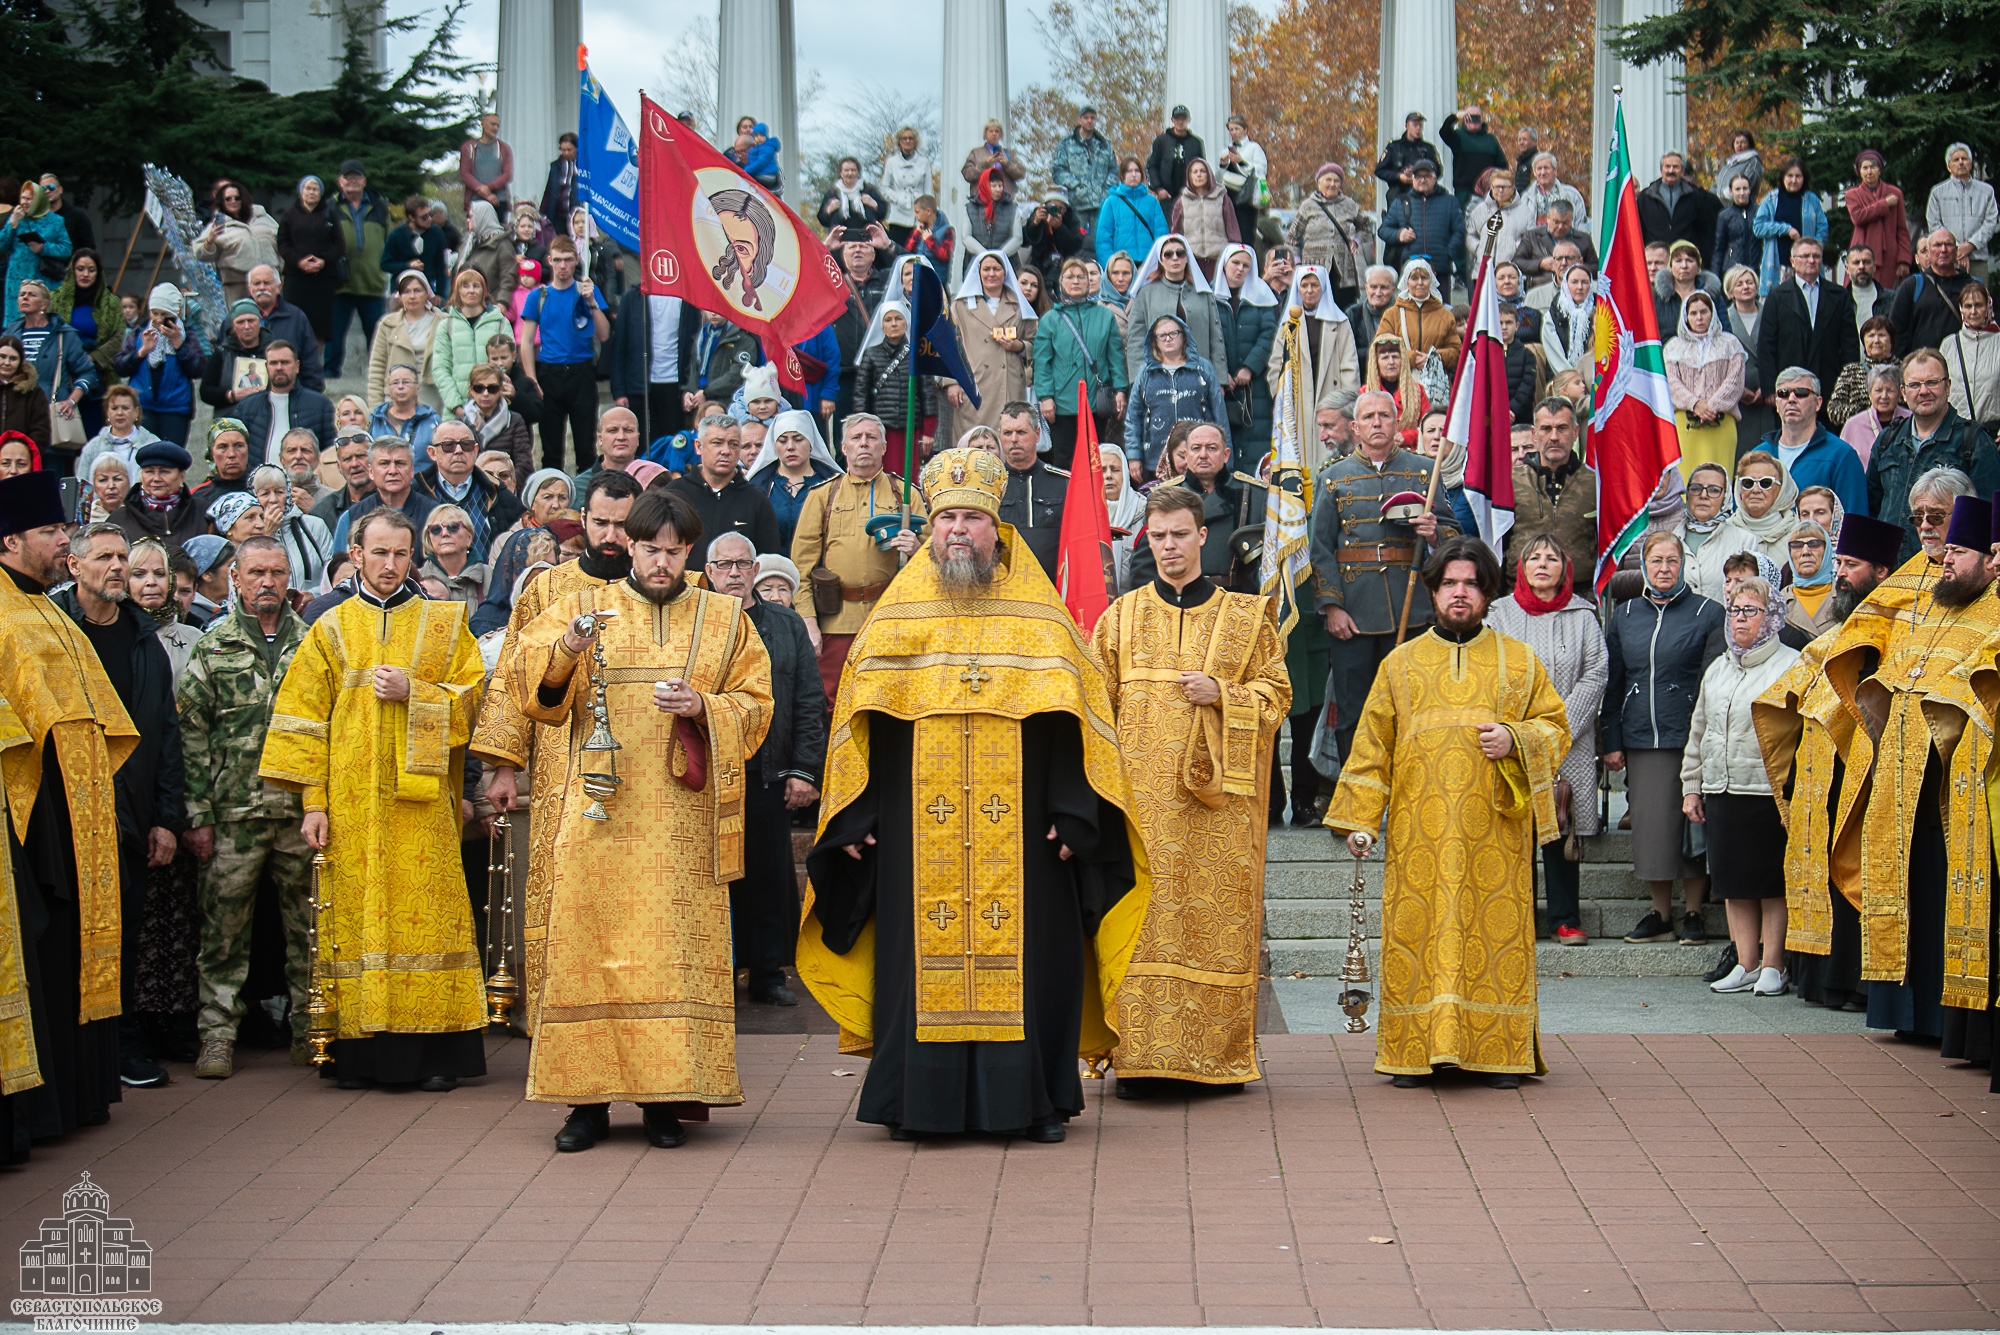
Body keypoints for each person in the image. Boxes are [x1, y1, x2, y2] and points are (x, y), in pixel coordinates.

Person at [796, 446, 1144, 1141]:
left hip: (1026, 837)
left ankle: (1036, 1101)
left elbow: (1073, 725)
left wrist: (1074, 813)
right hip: (912, 833)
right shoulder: (895, 621)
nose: (959, 529)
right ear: (929, 527)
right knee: (915, 964)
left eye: (973, 518)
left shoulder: (1039, 618)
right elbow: (865, 729)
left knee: (1034, 963)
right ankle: (915, 1103)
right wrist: (856, 816)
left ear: (998, 529)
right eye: (947, 516)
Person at [504, 489, 772, 1147]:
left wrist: (704, 705)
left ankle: (662, 1100)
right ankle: (585, 1105)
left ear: (690, 552)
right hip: (597, 817)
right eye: (650, 549)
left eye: (674, 552)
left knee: (672, 958)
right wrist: (566, 648)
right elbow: (529, 694)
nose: (661, 562)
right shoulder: (579, 609)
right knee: (587, 952)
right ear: (629, 544)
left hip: (679, 824)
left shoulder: (724, 618)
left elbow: (757, 704)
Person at [1324, 535, 1567, 1087]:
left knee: (1492, 934)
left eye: (1472, 585)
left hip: (1495, 834)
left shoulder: (1518, 662)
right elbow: (1371, 747)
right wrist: (1361, 820)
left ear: (1487, 593)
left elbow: (1556, 728)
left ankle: (1497, 1053)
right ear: (1434, 590)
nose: (1461, 594)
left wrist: (1515, 738)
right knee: (1420, 935)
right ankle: (1416, 1051)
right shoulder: (1401, 665)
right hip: (1420, 834)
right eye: (1451, 583)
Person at [259, 507, 487, 1090]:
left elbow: (474, 702)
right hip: (353, 806)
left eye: (401, 554)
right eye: (379, 553)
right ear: (355, 554)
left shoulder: (443, 623)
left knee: (428, 921)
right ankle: (358, 1054)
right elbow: (302, 720)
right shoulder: (328, 628)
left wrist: (420, 692)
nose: (390, 565)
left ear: (414, 557)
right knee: (356, 920)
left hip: (423, 806)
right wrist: (314, 802)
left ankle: (437, 1055)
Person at [1091, 483, 1286, 1093]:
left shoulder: (1247, 617)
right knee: (1140, 923)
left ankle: (1213, 1060)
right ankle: (1138, 1059)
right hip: (1140, 811)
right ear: (1146, 539)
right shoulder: (1119, 619)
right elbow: (1094, 712)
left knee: (1213, 925)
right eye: (1158, 536)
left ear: (1203, 536)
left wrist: (1223, 694)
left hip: (1218, 814)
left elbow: (1279, 696)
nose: (1169, 546)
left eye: (1180, 534)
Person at [1826, 494, 2000, 1042]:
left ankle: (1949, 1022)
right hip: (1903, 770)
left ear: (1990, 562)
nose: (1945, 560)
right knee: (1909, 890)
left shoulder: (1991, 605)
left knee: (1946, 894)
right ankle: (1909, 1016)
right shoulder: (1927, 594)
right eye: (1945, 550)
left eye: (1960, 551)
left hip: (1959, 778)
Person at [0, 472, 138, 1147]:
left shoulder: (51, 609)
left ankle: (81, 1094)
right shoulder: (2, 610)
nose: (63, 539)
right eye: (51, 532)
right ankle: (42, 1103)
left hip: (77, 805)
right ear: (9, 540)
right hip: (34, 811)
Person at [170, 535, 313, 1078]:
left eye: (276, 572)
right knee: (223, 931)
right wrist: (197, 815)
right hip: (233, 816)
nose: (267, 582)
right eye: (256, 573)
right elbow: (192, 734)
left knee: (308, 929)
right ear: (236, 579)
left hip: (302, 814)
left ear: (289, 578)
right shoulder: (214, 646)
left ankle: (310, 1029)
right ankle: (218, 1034)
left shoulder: (314, 643)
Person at [49, 524, 183, 1088]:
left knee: (124, 933)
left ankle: (121, 1043)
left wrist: (166, 818)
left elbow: (165, 734)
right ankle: (69, 1049)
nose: (118, 567)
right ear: (74, 566)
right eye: (104, 556)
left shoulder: (142, 638)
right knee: (64, 932)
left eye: (123, 557)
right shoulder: (53, 630)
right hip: (64, 814)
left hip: (130, 815)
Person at [1751, 511, 1902, 1010]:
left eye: (1851, 564)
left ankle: (1861, 985)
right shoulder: (1836, 631)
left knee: (1857, 872)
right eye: (1838, 562)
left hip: (1869, 778)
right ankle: (1821, 980)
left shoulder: (1897, 633)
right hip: (1823, 777)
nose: (1839, 573)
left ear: (1881, 572)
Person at [704, 531, 825, 1008]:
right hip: (709, 768)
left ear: (756, 570)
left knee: (768, 874)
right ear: (709, 571)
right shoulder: (694, 620)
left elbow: (808, 701)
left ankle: (768, 972)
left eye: (743, 564)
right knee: (710, 874)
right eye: (724, 565)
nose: (734, 573)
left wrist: (804, 770)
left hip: (769, 770)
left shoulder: (787, 624)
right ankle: (717, 970)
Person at [1308, 390, 1450, 765]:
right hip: (1353, 617)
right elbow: (1320, 550)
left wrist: (1435, 533)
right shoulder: (1332, 478)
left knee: (1415, 712)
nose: (1376, 423)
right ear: (1354, 427)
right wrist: (1332, 607)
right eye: (1368, 417)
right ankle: (1355, 810)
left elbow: (1457, 540)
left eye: (1384, 416)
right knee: (1353, 716)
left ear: (1397, 421)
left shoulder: (1424, 471)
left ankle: (1413, 804)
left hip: (1413, 609)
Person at [1602, 531, 1724, 945]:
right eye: (1656, 561)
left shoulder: (1708, 613)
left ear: (1683, 565)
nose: (1664, 568)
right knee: (1652, 829)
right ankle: (1660, 913)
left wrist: (1706, 737)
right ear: (1644, 565)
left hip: (1689, 734)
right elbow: (1613, 683)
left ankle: (1693, 913)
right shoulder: (1626, 615)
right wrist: (1611, 739)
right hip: (1642, 737)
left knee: (1692, 829)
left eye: (1672, 560)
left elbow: (1712, 680)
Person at [1681, 574, 1799, 993]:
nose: (1740, 619)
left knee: (1769, 881)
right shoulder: (1718, 667)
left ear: (1772, 617)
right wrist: (1691, 786)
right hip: (1723, 788)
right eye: (1734, 610)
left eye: (1751, 611)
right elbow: (1700, 730)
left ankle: (1773, 965)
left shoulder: (1790, 665)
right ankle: (1745, 962)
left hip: (1768, 792)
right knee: (1732, 881)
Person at [1489, 532, 1607, 946]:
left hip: (1569, 743)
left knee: (1560, 827)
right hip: (1514, 740)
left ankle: (1564, 919)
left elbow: (1595, 673)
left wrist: (1559, 728)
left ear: (1565, 569)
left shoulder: (1584, 615)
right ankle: (1516, 917)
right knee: (1516, 830)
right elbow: (1491, 670)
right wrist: (1522, 731)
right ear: (1521, 567)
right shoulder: (1499, 614)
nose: (1542, 564)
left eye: (1552, 558)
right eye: (1534, 557)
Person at [787, 413, 924, 691]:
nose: (864, 444)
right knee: (831, 701)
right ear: (843, 447)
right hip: (835, 622)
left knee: (886, 698)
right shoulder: (822, 496)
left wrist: (916, 549)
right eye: (856, 438)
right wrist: (809, 623)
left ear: (884, 447)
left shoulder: (906, 495)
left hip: (889, 619)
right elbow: (800, 568)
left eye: (871, 437)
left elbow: (931, 564)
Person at [1868, 350, 2000, 563]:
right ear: (1903, 391)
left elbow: (1988, 520)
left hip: (1944, 573)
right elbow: (1872, 508)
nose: (1923, 391)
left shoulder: (1974, 442)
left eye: (1932, 382)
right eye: (1914, 385)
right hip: (1889, 575)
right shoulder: (1887, 441)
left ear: (1948, 386)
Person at [520, 236, 610, 473]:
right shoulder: (538, 296)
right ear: (549, 261)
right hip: (550, 373)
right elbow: (526, 341)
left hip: (581, 372)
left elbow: (603, 334)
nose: (562, 266)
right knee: (550, 450)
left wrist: (592, 302)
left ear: (575, 261)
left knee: (586, 448)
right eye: (558, 260)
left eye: (568, 260)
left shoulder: (586, 291)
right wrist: (532, 379)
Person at [1035, 257, 1130, 458]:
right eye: (1070, 277)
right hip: (1062, 403)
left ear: (1089, 282)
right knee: (1065, 459)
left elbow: (1115, 357)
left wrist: (1120, 390)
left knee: (1096, 457)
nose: (1076, 281)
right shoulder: (1050, 320)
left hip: (1097, 401)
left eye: (1081, 277)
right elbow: (1042, 363)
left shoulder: (1104, 316)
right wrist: (1045, 397)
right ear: (1061, 282)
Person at [1754, 238, 1857, 421]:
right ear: (1793, 261)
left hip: (1830, 388)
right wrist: (1770, 388)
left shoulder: (1838, 295)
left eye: (1816, 256)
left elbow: (1849, 343)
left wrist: (1849, 385)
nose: (1811, 260)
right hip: (1790, 389)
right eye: (1805, 256)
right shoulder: (1777, 296)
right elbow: (1766, 344)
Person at [1746, 366, 1868, 519]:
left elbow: (1855, 522)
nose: (1791, 399)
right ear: (1776, 403)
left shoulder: (1842, 456)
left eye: (1801, 393)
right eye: (1783, 394)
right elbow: (1741, 517)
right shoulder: (1757, 457)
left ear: (1818, 403)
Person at [665, 412, 781, 567]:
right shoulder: (674, 495)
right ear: (698, 446)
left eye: (733, 444)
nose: (726, 451)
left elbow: (769, 562)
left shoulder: (756, 500)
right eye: (717, 443)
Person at [1507, 397, 1598, 588]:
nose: (1554, 437)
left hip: (1580, 595)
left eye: (1562, 428)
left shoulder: (1595, 483)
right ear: (1534, 433)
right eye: (1546, 429)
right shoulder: (1510, 481)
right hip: (1520, 594)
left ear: (1575, 432)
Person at [1125, 316, 1230, 481]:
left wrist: (1226, 454)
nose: (1168, 339)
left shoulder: (1203, 368)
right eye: (1162, 335)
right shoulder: (1145, 373)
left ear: (1183, 335)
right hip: (1153, 459)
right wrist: (1133, 456)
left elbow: (1219, 414)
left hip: (1199, 458)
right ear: (1154, 340)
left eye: (1173, 333)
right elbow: (1133, 417)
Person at [1270, 266, 1357, 456]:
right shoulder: (1288, 324)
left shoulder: (1339, 322)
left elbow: (1349, 366)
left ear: (1323, 288)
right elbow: (1276, 366)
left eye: (1315, 285)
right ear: (1298, 289)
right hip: (1298, 402)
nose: (1309, 291)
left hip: (1331, 397)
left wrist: (1347, 404)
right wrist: (1281, 399)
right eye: (1305, 285)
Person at [412, 417, 524, 563]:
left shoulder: (498, 493)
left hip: (485, 582)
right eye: (448, 445)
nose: (458, 451)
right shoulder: (415, 493)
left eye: (466, 445)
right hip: (431, 582)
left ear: (475, 450)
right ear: (432, 453)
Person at [949, 251, 1038, 434]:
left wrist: (1018, 346)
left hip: (1009, 384)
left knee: (1008, 438)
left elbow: (1035, 342)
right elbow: (949, 345)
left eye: (996, 269)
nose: (991, 274)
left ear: (1005, 273)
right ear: (978, 273)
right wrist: (951, 382)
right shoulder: (960, 306)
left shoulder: (1019, 304)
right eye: (986, 269)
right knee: (974, 442)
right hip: (974, 383)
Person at [1122, 234, 1226, 381]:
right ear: (1160, 260)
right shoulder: (1146, 294)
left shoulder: (1203, 293)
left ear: (1187, 257)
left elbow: (1216, 338)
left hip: (1200, 377)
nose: (1175, 258)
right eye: (1168, 254)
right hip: (1158, 378)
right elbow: (1136, 341)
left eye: (1180, 253)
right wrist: (1139, 380)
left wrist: (1220, 379)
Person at [854, 298, 938, 478]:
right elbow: (861, 395)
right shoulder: (871, 355)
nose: (893, 324)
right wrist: (862, 427)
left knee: (908, 477)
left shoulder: (917, 354)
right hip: (881, 429)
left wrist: (929, 431)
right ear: (882, 325)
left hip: (910, 428)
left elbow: (927, 394)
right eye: (888, 320)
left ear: (906, 322)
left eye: (898, 319)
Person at [746, 409, 840, 553]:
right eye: (782, 441)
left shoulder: (833, 484)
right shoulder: (758, 486)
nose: (790, 447)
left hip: (819, 571)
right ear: (774, 446)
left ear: (810, 443)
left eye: (798, 439)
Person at [993, 402, 1068, 580]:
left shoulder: (1063, 483)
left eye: (1021, 432)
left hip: (1052, 588)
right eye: (1007, 433)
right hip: (1002, 589)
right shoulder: (990, 485)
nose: (1014, 439)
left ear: (1036, 434)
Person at [52, 250, 124, 435]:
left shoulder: (110, 302)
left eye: (91, 270)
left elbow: (118, 337)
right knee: (63, 435)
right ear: (72, 271)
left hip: (98, 375)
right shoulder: (56, 300)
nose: (85, 274)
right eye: (80, 269)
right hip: (62, 373)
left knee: (94, 433)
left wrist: (92, 358)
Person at [330, 437, 437, 553]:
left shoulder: (434, 514)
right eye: (384, 464)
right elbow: (342, 568)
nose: (392, 471)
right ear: (371, 471)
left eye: (400, 463)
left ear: (412, 470)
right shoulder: (351, 517)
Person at [237, 341, 334, 468]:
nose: (279, 367)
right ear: (266, 367)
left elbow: (330, 453)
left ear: (297, 366)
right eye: (273, 363)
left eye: (285, 362)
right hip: (258, 484)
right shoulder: (246, 407)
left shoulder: (321, 405)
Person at [1287, 164, 1367, 309]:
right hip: (1314, 267)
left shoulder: (1349, 204)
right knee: (1315, 309)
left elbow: (1365, 227)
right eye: (1328, 180)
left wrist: (1356, 241)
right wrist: (1298, 264)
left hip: (1343, 270)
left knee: (1344, 309)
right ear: (1319, 182)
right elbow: (1292, 238)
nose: (1332, 184)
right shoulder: (1308, 206)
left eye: (1336, 181)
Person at [1376, 160, 1462, 290]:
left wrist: (1448, 253)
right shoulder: (1401, 202)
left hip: (1439, 270)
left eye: (1427, 176)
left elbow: (1459, 230)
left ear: (1435, 178)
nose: (1422, 180)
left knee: (1440, 308)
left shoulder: (1449, 201)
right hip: (1411, 270)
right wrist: (1399, 235)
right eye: (1418, 176)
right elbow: (1383, 230)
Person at [276, 177, 342, 344]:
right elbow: (283, 243)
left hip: (323, 279)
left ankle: (315, 366)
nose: (312, 192)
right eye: (308, 188)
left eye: (315, 189)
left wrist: (323, 261)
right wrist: (299, 262)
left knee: (319, 328)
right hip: (296, 279)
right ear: (301, 192)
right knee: (293, 324)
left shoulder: (330, 213)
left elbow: (339, 245)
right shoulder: (289, 214)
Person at [1751, 157, 1828, 295]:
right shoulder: (1771, 199)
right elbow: (1758, 227)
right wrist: (1785, 229)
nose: (1794, 180)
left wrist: (1814, 248)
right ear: (1783, 177)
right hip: (1779, 266)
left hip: (1807, 266)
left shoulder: (1812, 200)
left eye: (1798, 176)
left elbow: (1823, 227)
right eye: (1790, 176)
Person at [250, 462, 331, 590]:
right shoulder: (249, 531)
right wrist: (267, 535)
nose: (273, 499)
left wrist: (313, 595)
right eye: (265, 494)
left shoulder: (314, 525)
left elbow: (332, 573)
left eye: (279, 492)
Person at [1638, 152, 1722, 269]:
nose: (1671, 170)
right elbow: (1639, 231)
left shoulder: (1696, 197)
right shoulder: (1645, 198)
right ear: (1661, 169)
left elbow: (1704, 232)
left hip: (1686, 261)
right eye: (1667, 166)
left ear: (1682, 171)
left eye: (1675, 167)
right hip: (1655, 262)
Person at [1927, 142, 1997, 279]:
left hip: (1977, 258)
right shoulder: (1938, 192)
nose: (1960, 163)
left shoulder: (1986, 191)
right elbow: (1934, 223)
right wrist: (1957, 248)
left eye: (1964, 159)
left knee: (1979, 297)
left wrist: (1971, 245)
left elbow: (1991, 222)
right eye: (1956, 160)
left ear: (1971, 164)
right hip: (1947, 258)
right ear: (1948, 166)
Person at [0, 182, 70, 317]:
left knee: (44, 321)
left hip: (45, 279)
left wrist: (44, 248)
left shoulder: (55, 221)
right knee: (16, 324)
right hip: (17, 281)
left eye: (29, 199)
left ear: (38, 200)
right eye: (23, 198)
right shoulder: (16, 218)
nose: (24, 202)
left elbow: (66, 248)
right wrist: (11, 224)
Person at [1050, 108, 1117, 241]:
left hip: (1100, 203)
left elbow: (1114, 169)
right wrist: (1076, 186)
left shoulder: (1105, 145)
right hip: (1076, 203)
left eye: (1092, 118)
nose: (1089, 120)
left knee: (1101, 240)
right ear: (1080, 119)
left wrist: (1106, 188)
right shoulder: (1066, 144)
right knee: (1076, 242)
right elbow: (1058, 170)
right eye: (1086, 117)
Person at [1943, 280, 2000, 435]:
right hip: (1955, 433)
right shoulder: (1949, 344)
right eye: (1968, 306)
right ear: (1962, 309)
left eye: (1979, 305)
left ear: (1988, 307)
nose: (1973, 311)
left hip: (1991, 433)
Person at [1169, 159, 1240, 281]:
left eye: (1202, 171)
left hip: (1218, 259)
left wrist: (1235, 255)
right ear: (1189, 176)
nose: (1198, 175)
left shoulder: (1222, 198)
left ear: (1209, 174)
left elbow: (1232, 228)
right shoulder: (1182, 201)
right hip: (1192, 260)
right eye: (1194, 172)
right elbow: (1176, 233)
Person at [1827, 315, 1900, 430]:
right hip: (1860, 433)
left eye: (1881, 335)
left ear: (1891, 340)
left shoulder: (1904, 371)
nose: (1876, 340)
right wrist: (1865, 414)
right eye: (1871, 336)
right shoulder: (1851, 372)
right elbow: (1834, 410)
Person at [1096, 159, 1169, 269]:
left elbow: (1161, 232)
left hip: (1148, 263)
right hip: (1121, 264)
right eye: (1129, 171)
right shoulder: (1111, 202)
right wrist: (1110, 265)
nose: (1134, 175)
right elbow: (1103, 238)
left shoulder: (1152, 201)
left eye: (1137, 171)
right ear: (1122, 175)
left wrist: (1158, 260)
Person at [1513, 200, 1599, 291]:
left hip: (1575, 291)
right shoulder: (1532, 236)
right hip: (1540, 289)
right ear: (1548, 218)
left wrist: (1576, 266)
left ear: (1571, 220)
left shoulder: (1583, 239)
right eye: (1556, 222)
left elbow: (1596, 269)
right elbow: (1516, 263)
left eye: (1565, 223)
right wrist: (1540, 264)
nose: (1560, 227)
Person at [1839, 363, 1907, 469]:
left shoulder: (1910, 420)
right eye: (1878, 390)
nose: (1884, 396)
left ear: (1900, 394)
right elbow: (1842, 464)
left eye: (1890, 390)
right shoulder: (1853, 425)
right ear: (1870, 394)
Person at [1216, 114, 1268, 251]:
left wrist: (1241, 162)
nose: (1234, 132)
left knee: (1245, 235)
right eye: (1231, 130)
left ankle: (1247, 263)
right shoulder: (1225, 150)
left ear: (1245, 130)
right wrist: (1222, 165)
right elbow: (1218, 179)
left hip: (1247, 199)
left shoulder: (1254, 148)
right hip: (1229, 197)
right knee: (1229, 234)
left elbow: (1260, 171)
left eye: (1237, 129)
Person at [308, 427, 376, 531]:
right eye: (347, 459)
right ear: (339, 467)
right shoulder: (323, 513)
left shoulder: (395, 500)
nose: (354, 464)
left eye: (361, 456)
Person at [1438, 106, 1507, 209]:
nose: (1474, 120)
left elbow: (1502, 165)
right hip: (1464, 192)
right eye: (1470, 117)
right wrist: (1455, 116)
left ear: (1482, 119)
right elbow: (1444, 132)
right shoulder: (1459, 136)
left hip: (1488, 192)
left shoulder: (1491, 140)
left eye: (1477, 117)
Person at [367, 364, 438, 461]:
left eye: (406, 382)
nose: (400, 387)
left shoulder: (433, 420)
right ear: (389, 390)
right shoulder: (375, 420)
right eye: (395, 383)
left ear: (417, 388)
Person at [879, 127, 934, 249]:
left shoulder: (924, 162)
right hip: (898, 215)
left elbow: (928, 191)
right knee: (896, 254)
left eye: (911, 138)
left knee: (917, 255)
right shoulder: (892, 162)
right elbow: (884, 188)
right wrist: (898, 197)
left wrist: (928, 215)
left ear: (915, 141)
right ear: (899, 141)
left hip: (918, 216)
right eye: (904, 138)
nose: (907, 141)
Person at [1653, 239, 1721, 337]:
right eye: (1678, 261)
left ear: (1698, 267)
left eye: (1689, 261)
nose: (1684, 266)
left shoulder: (1712, 295)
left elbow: (1724, 329)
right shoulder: (1655, 297)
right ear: (1670, 266)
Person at [1373, 110, 1437, 206]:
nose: (1418, 128)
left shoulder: (1428, 148)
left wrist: (1418, 175)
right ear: (1406, 126)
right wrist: (1399, 176)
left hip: (1421, 193)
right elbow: (1380, 170)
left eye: (1420, 125)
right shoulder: (1394, 147)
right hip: (1398, 192)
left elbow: (1438, 170)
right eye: (1415, 125)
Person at [458, 110, 513, 213]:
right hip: (475, 200)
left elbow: (507, 174)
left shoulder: (503, 148)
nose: (495, 128)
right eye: (492, 124)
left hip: (499, 200)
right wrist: (483, 191)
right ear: (483, 124)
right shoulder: (469, 147)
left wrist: (488, 188)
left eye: (497, 125)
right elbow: (464, 174)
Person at [1712, 174, 1760, 279]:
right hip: (1732, 270)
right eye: (1737, 189)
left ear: (1750, 190)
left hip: (1756, 268)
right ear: (1731, 191)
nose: (1741, 193)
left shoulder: (1759, 211)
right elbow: (1719, 247)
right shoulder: (1725, 215)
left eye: (1745, 188)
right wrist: (1715, 275)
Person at [1346, 264, 1397, 351]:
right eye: (1373, 287)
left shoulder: (1402, 313)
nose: (1378, 293)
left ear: (1393, 290)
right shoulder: (1353, 313)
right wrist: (1376, 353)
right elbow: (1348, 351)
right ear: (1366, 288)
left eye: (1384, 287)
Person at [540, 133, 579, 231]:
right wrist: (543, 212)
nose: (566, 153)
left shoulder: (582, 166)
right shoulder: (556, 166)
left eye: (569, 150)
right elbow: (549, 189)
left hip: (576, 213)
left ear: (577, 148)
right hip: (558, 213)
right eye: (563, 150)